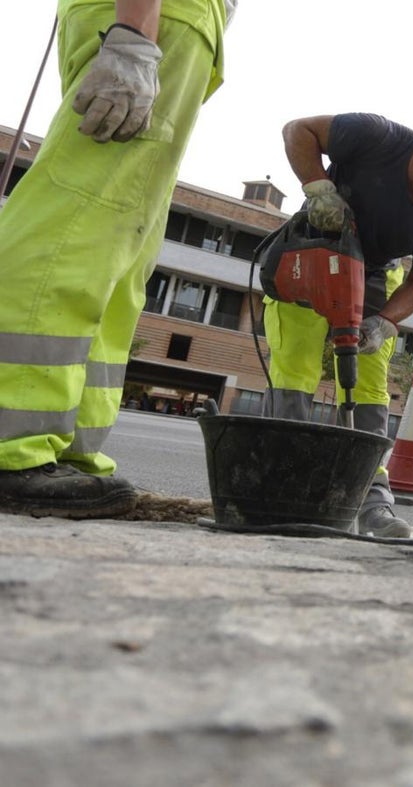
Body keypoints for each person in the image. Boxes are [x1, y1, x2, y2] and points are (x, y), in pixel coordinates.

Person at [0, 0, 236, 518]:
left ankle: (66, 451)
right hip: (153, 18)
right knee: (75, 227)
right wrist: (134, 34)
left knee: (119, 254)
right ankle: (12, 447)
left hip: (168, 24)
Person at [262, 113, 413, 538]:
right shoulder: (378, 137)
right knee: (294, 374)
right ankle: (286, 488)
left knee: (369, 390)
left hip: (373, 276)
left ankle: (371, 501)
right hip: (314, 253)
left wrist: (384, 323)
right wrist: (318, 187)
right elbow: (299, 130)